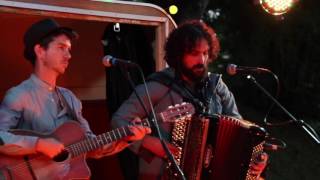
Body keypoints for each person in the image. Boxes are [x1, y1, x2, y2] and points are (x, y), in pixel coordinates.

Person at [111, 20, 268, 179]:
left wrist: (254, 158)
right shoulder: (158, 86)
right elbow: (119, 120)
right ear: (178, 55)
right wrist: (147, 142)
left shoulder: (217, 87)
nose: (202, 60)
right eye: (194, 53)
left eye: (205, 53)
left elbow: (240, 131)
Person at [0, 18, 150, 178]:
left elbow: (92, 146)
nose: (68, 55)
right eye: (61, 48)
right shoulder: (19, 95)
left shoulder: (69, 98)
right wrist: (38, 144)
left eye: (69, 49)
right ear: (40, 51)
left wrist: (125, 138)